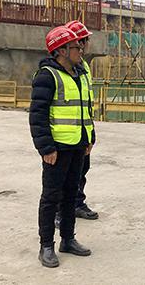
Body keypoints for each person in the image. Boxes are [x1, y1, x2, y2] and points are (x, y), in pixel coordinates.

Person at [30, 25, 95, 268]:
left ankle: (68, 239)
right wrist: (46, 148)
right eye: (76, 46)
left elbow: (85, 109)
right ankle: (46, 245)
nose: (81, 50)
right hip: (57, 148)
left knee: (70, 195)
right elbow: (37, 116)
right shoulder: (47, 76)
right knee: (51, 197)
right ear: (61, 50)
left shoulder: (79, 73)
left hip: (77, 145)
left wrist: (89, 138)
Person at [64, 20, 99, 221]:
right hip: (65, 134)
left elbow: (86, 101)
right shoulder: (62, 69)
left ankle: (77, 203)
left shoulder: (83, 66)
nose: (85, 45)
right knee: (63, 175)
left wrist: (90, 133)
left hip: (83, 129)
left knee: (81, 169)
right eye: (84, 41)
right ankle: (60, 211)